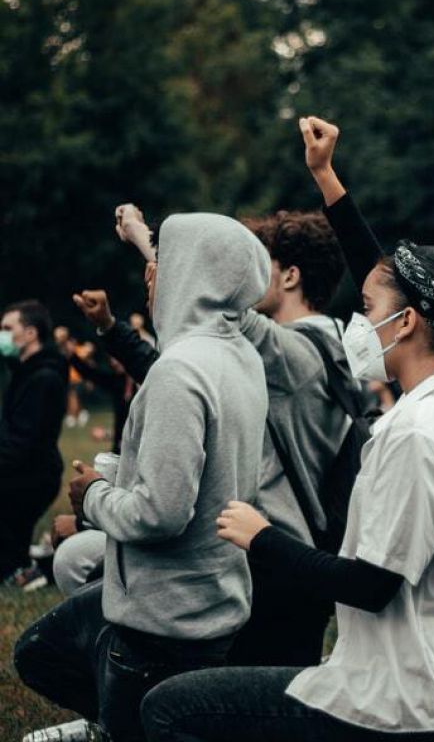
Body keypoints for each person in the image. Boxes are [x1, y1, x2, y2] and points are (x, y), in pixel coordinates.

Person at [138, 114, 434, 742]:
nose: (358, 321)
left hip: (407, 701)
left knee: (169, 709)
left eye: (367, 311)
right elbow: (386, 277)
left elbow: (370, 586)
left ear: (410, 323)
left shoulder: (412, 436)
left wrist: (262, 539)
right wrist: (327, 178)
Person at [70, 199, 359, 669]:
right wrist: (111, 327)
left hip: (277, 552)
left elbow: (203, 297)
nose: (241, 273)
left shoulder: (300, 356)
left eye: (256, 260)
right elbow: (180, 357)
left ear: (289, 277)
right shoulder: (281, 350)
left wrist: (147, 244)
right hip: (266, 547)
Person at [15, 213, 270, 742]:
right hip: (209, 601)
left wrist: (93, 499)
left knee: (76, 680)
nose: (153, 277)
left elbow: (161, 513)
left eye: (166, 264)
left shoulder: (180, 372)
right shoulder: (239, 355)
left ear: (191, 277)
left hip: (162, 624)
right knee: (39, 650)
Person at [0, 300, 68, 585]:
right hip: (25, 470)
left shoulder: (44, 377)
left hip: (32, 475)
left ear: (30, 334)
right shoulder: (26, 372)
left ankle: (31, 569)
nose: (2, 334)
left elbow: (23, 443)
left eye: (7, 328)